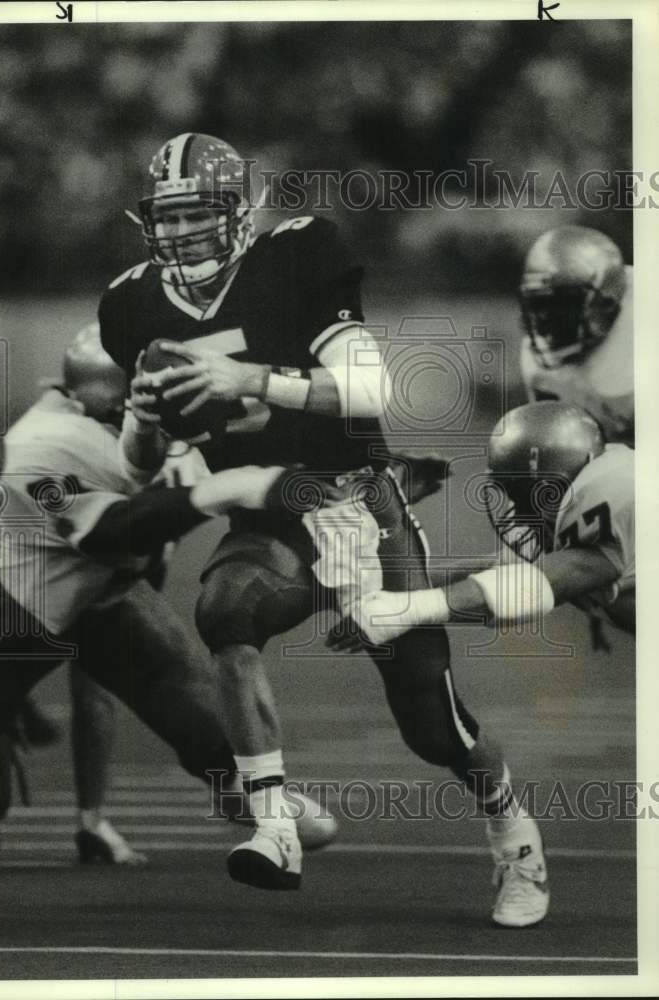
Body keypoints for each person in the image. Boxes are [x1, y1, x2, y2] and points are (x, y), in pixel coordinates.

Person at [99, 132, 548, 927]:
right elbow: (138, 462)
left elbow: (369, 388)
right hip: (266, 512)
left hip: (357, 506)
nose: (177, 234)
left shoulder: (300, 255)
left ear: (238, 213)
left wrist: (252, 380)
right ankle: (275, 826)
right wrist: (138, 421)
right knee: (224, 614)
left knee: (431, 721)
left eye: (196, 215)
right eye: (165, 219)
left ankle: (513, 831)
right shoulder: (130, 302)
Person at [0, 324, 336, 867]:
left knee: (224, 749)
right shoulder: (42, 447)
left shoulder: (139, 427)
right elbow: (109, 529)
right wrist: (233, 486)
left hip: (103, 595)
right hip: (13, 615)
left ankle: (238, 790)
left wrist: (92, 818)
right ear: (112, 402)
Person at [339, 402, 634, 642]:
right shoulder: (581, 513)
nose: (517, 512)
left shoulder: (613, 488)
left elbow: (540, 580)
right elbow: (496, 572)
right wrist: (366, 583)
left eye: (525, 495)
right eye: (513, 495)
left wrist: (407, 612)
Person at [519, 226, 633, 446]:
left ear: (607, 304)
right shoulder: (536, 359)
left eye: (562, 305)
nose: (546, 320)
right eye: (540, 304)